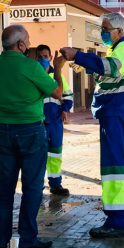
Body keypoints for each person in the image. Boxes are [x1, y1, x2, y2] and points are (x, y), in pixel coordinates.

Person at [60, 12, 124, 238]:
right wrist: (87, 66)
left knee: (114, 166)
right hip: (118, 111)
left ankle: (116, 221)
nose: (103, 33)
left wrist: (78, 55)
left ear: (119, 31)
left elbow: (110, 68)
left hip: (116, 111)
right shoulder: (120, 49)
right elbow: (110, 76)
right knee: (123, 163)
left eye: (106, 29)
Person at [0, 25, 65, 248]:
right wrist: (57, 68)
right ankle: (27, 239)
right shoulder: (30, 66)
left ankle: (1, 239)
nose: (29, 44)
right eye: (27, 40)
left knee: (4, 189)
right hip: (30, 131)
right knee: (32, 186)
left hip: (2, 132)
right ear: (20, 45)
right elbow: (57, 92)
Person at [36, 44, 73, 196]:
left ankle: (56, 185)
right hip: (39, 123)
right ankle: (37, 187)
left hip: (56, 122)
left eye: (46, 56)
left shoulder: (57, 75)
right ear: (35, 58)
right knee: (39, 156)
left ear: (51, 57)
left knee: (55, 155)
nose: (43, 59)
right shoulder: (34, 75)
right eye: (40, 57)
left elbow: (68, 95)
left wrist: (65, 109)